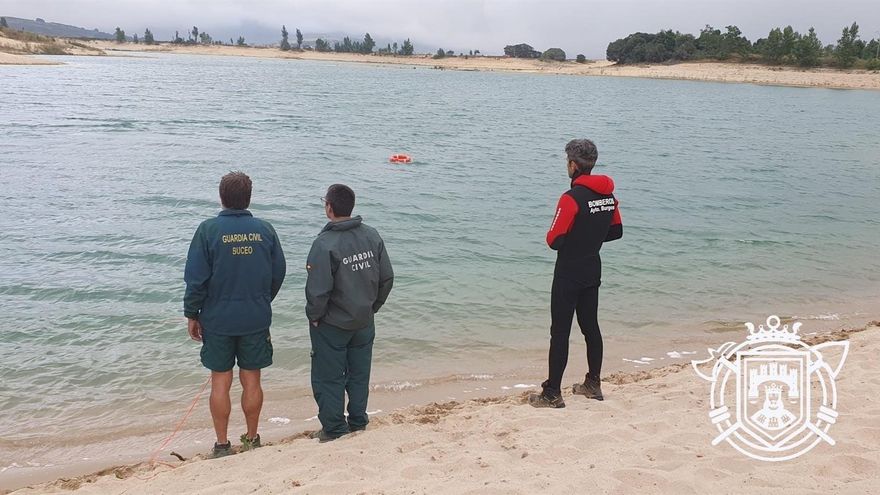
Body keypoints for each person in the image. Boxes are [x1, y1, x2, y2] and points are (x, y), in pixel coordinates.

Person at [183, 171, 286, 457]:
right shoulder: (265, 230)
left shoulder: (208, 230)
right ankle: (252, 439)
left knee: (221, 381)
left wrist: (193, 313)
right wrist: (262, 300)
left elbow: (196, 279)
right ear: (248, 198)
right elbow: (278, 273)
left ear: (222, 198)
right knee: (252, 379)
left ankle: (222, 444)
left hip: (218, 319)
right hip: (254, 316)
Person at [529, 139, 623, 408]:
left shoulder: (571, 198)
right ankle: (593, 384)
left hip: (568, 271)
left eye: (566, 162)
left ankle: (552, 393)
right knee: (590, 327)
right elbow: (616, 232)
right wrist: (589, 238)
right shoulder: (608, 196)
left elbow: (554, 240)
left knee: (560, 332)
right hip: (592, 268)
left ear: (573, 164)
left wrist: (576, 238)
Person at [305, 184, 393, 442]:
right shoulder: (372, 236)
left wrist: (314, 315)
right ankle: (357, 421)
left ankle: (334, 428)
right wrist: (371, 307)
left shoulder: (324, 244)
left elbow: (318, 291)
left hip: (333, 323)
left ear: (329, 208)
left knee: (328, 377)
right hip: (363, 320)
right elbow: (386, 279)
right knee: (358, 374)